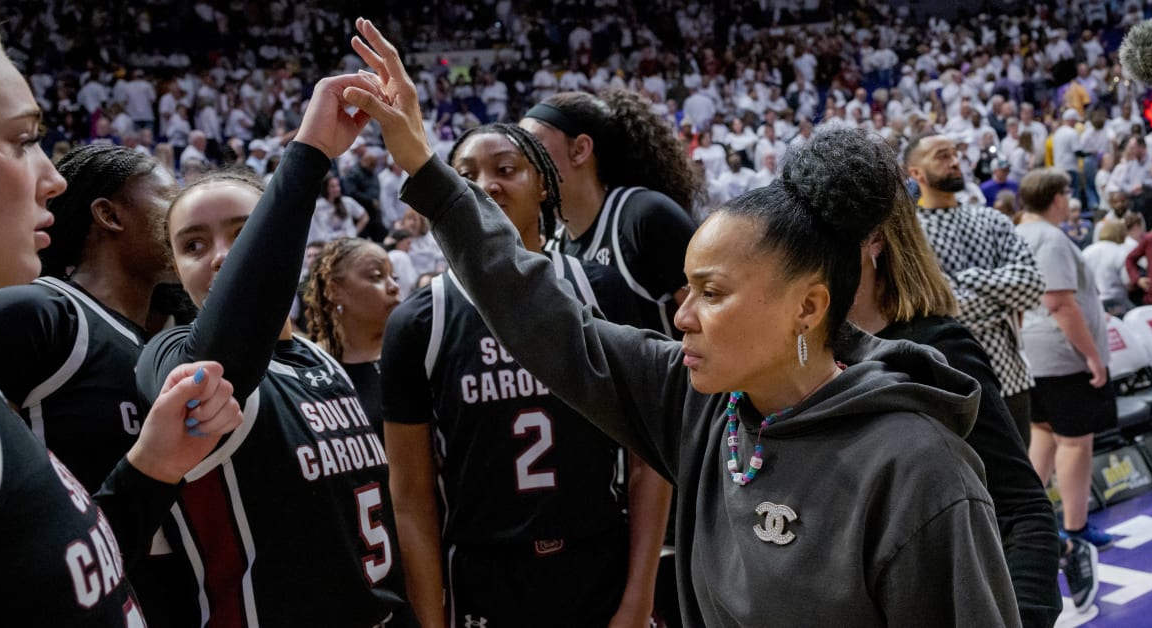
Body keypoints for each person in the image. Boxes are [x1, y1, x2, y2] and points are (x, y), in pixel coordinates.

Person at [345, 20, 1020, 626]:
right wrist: (422, 165)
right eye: (687, 288)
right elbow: (538, 315)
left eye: (711, 292)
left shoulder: (917, 467)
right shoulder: (699, 404)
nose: (682, 314)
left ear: (808, 308)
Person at [135, 71, 414, 626]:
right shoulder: (165, 354)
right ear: (174, 268)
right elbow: (227, 356)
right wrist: (309, 155)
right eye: (194, 244)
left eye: (245, 233)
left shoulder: (322, 359)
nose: (221, 257)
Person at [0, 23, 240, 624]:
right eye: (23, 140)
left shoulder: (167, 340)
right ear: (108, 215)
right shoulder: (44, 313)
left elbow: (87, 551)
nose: (51, 177)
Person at [382, 122, 667, 627]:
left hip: (598, 562)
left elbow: (649, 462)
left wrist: (638, 600)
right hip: (485, 575)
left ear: (543, 184)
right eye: (464, 174)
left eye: (506, 169)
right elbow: (411, 499)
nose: (485, 184)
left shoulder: (603, 291)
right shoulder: (419, 322)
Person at [845, 184, 1068, 624]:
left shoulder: (936, 346)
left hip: (1011, 377)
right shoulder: (803, 352)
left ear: (873, 239)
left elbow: (1023, 508)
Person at [0, 144, 176, 492]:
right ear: (110, 215)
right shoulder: (36, 312)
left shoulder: (160, 344)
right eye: (170, 198)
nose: (184, 213)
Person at [521, 89, 701, 339]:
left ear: (580, 149)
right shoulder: (555, 247)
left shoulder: (644, 216)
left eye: (531, 144)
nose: (520, 159)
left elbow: (715, 320)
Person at [905, 132, 1046, 443]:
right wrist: (1001, 301)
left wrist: (962, 279)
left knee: (1024, 486)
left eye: (955, 153)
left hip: (1011, 376)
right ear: (915, 173)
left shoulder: (992, 219)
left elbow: (1033, 286)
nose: (954, 161)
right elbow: (938, 304)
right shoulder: (909, 232)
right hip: (952, 385)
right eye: (942, 156)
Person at [1015, 168, 1118, 558]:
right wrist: (1093, 356)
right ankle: (1075, 527)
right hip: (1062, 356)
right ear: (1057, 197)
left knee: (1042, 435)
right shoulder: (1050, 238)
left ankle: (1028, 525)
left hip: (1034, 355)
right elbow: (1059, 302)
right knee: (1075, 442)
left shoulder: (1020, 231)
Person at [303, 237, 401, 431]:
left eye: (393, 277)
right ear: (334, 290)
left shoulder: (416, 354)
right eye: (376, 276)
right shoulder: (309, 367)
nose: (394, 287)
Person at [309, 171, 369, 243]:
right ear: (325, 188)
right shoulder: (317, 207)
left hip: (349, 243)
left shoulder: (347, 202)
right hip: (328, 244)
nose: (337, 189)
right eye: (333, 186)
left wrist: (354, 232)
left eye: (338, 185)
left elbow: (364, 216)